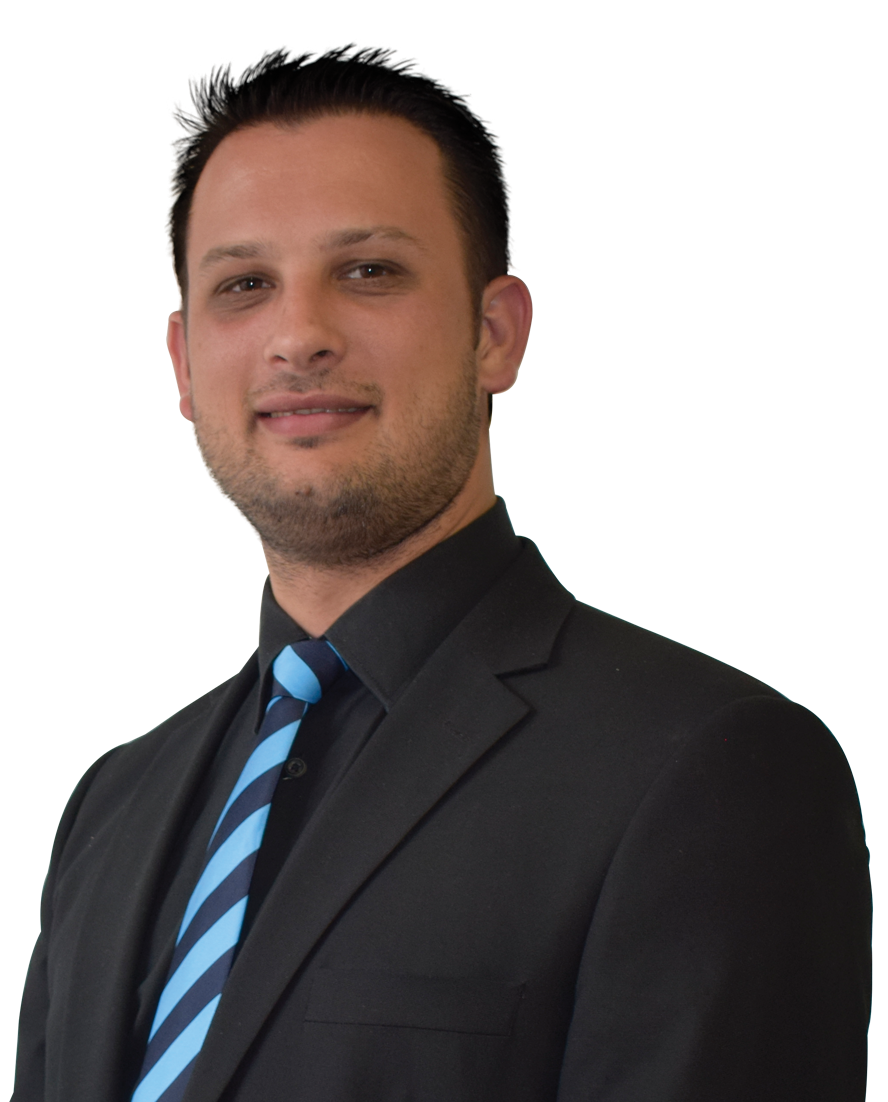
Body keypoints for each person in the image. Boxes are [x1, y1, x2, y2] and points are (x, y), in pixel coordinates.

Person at [13, 43, 873, 1102]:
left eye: (369, 271)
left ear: (494, 334)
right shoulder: (113, 804)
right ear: (185, 367)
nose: (298, 335)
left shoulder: (709, 768)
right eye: (244, 285)